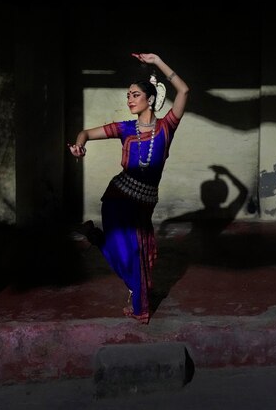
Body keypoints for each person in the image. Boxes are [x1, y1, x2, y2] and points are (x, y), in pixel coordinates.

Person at [68, 53, 189, 323]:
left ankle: (96, 237)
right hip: (118, 197)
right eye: (128, 95)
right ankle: (140, 302)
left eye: (135, 95)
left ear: (150, 98)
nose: (130, 99)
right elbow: (85, 133)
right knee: (128, 252)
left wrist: (157, 60)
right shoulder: (125, 128)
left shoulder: (167, 127)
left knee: (134, 251)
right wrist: (80, 146)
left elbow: (183, 89)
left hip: (145, 201)